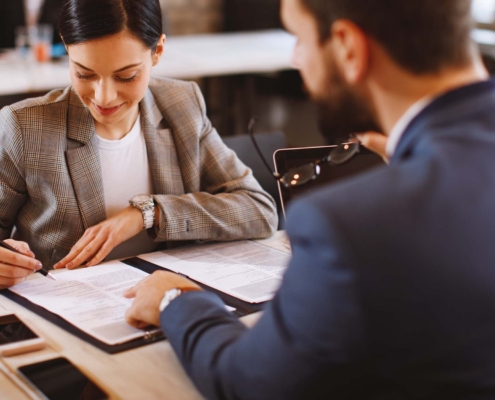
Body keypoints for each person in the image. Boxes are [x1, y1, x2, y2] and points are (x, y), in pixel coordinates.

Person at [124, 0, 495, 398]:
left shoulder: (351, 225)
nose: (298, 60)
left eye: (299, 39)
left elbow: (248, 384)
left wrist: (176, 300)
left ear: (348, 48)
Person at [0, 0, 278, 288]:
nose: (104, 97)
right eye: (84, 74)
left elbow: (259, 209)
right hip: (63, 310)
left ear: (157, 51)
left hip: (163, 305)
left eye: (126, 76)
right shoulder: (25, 127)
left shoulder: (182, 105)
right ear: (66, 48)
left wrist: (149, 212)